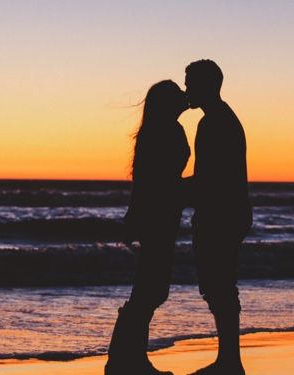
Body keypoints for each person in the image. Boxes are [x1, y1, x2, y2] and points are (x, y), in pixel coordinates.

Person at [105, 80, 190, 375]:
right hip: (159, 216)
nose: (185, 97)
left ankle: (125, 358)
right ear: (168, 103)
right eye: (178, 94)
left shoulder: (158, 130)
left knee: (150, 288)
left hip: (160, 215)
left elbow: (149, 181)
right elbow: (158, 181)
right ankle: (126, 359)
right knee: (151, 289)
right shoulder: (165, 131)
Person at [185, 59, 252, 375]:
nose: (187, 90)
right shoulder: (223, 118)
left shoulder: (213, 123)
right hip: (231, 211)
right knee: (221, 285)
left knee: (219, 286)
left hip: (220, 214)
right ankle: (229, 358)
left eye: (190, 83)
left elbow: (207, 178)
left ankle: (229, 360)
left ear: (206, 85)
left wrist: (167, 191)